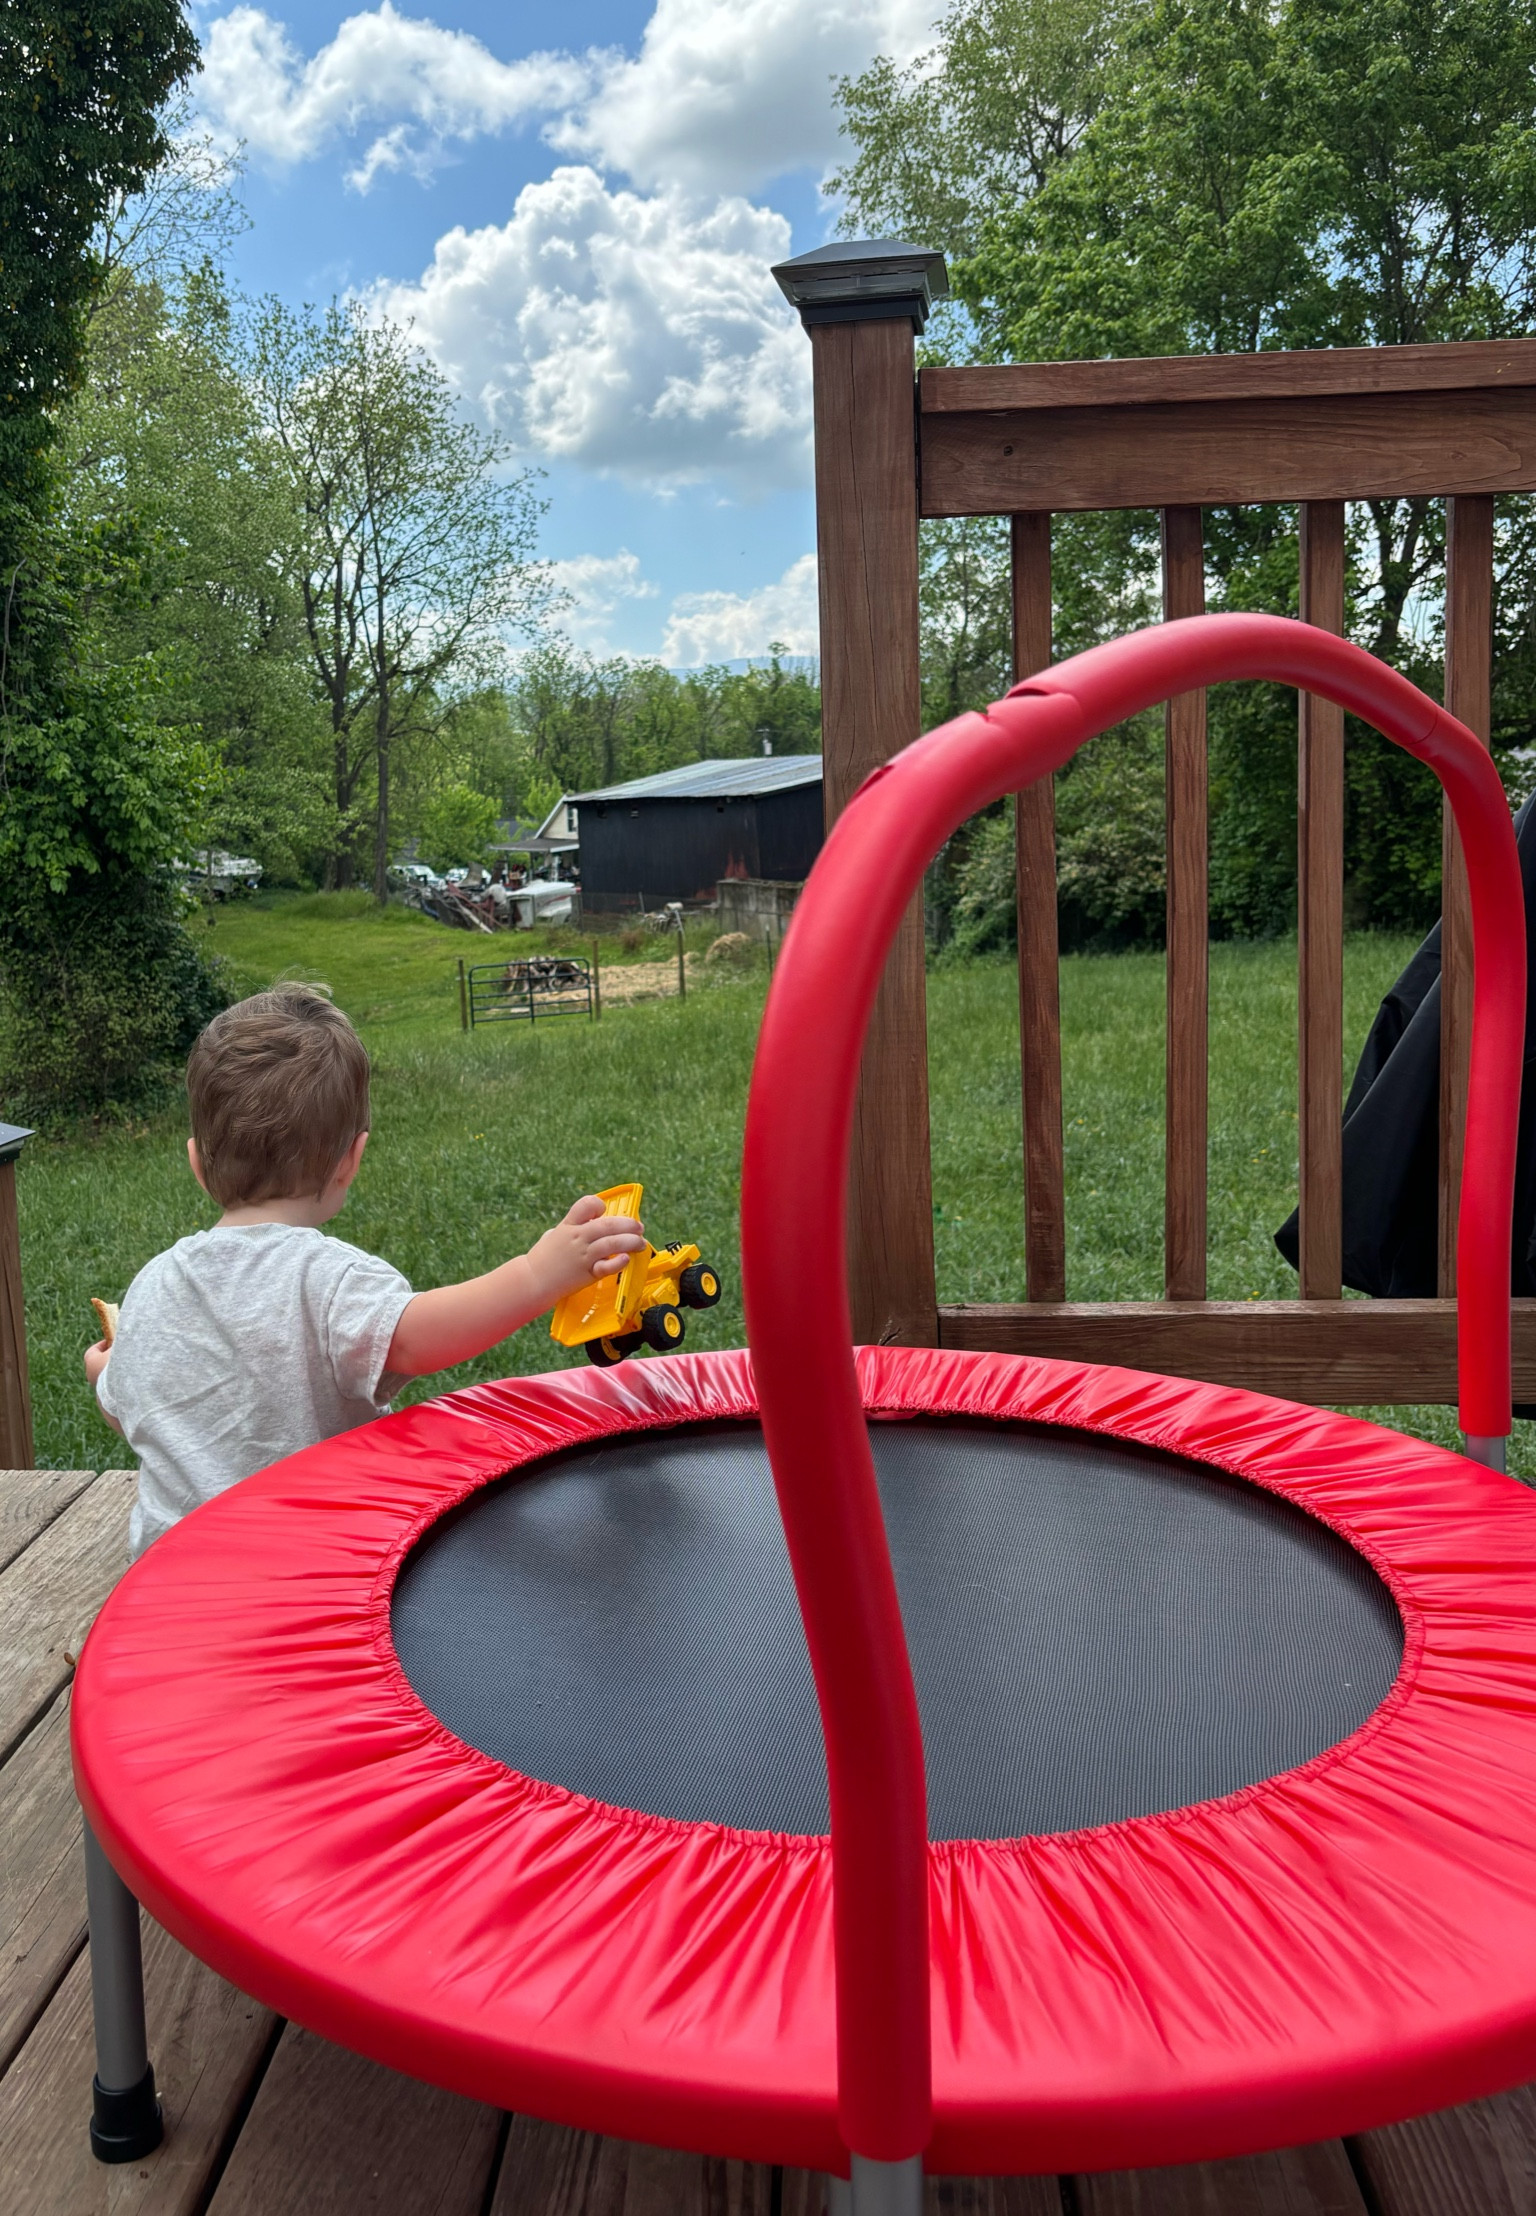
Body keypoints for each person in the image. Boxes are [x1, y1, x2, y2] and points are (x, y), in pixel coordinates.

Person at [84, 985, 644, 1559]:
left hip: (167, 1581)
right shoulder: (327, 1280)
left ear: (196, 1163)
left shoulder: (153, 1285)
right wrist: (537, 1275)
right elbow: (416, 1340)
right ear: (350, 1160)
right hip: (306, 1577)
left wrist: (103, 1370)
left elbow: (141, 1418)